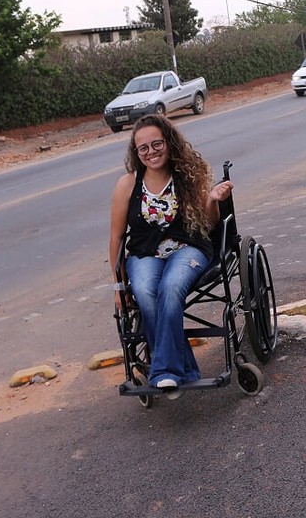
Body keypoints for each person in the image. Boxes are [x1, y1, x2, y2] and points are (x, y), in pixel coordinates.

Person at [109, 113, 232, 398]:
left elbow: (210, 225)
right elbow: (116, 237)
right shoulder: (127, 185)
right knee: (143, 290)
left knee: (170, 286)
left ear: (169, 142)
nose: (151, 152)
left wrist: (212, 200)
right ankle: (182, 370)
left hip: (188, 248)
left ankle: (164, 371)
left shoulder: (189, 175)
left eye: (157, 144)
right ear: (136, 152)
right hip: (143, 254)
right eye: (144, 148)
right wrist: (118, 286)